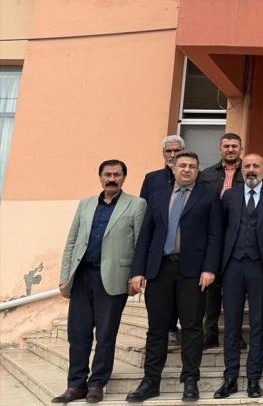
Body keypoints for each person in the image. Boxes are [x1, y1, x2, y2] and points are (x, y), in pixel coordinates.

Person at [126, 151, 222, 403]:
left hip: (194, 273)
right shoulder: (157, 197)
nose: (187, 169)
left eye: (192, 166)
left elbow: (215, 236)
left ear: (197, 171)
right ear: (173, 169)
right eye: (182, 165)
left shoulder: (208, 196)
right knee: (157, 328)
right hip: (160, 270)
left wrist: (210, 269)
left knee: (192, 328)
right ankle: (150, 381)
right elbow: (145, 237)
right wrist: (138, 271)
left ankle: (190, 380)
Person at [52, 160, 146, 404]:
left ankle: (97, 384)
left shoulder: (137, 204)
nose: (112, 178)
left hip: (114, 278)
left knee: (105, 335)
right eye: (107, 174)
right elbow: (71, 241)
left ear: (124, 178)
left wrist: (135, 275)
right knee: (78, 334)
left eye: (117, 174)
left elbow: (140, 244)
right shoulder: (85, 204)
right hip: (83, 276)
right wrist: (65, 276)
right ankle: (75, 385)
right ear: (100, 177)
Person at [213, 154, 263, 399]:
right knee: (231, 325)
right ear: (241, 170)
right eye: (247, 166)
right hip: (232, 266)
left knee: (257, 324)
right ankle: (230, 377)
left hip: (259, 267)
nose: (251, 169)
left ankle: (254, 377)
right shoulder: (229, 195)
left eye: (256, 165)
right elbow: (220, 231)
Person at [198, 133, 245, 350]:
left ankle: (236, 334)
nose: (230, 149)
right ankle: (210, 332)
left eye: (234, 146)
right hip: (212, 235)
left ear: (241, 149)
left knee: (236, 289)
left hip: (238, 236)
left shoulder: (248, 172)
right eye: (226, 146)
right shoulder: (206, 174)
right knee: (211, 288)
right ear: (220, 149)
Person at [139, 135, 185, 347]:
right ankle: (159, 332)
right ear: (163, 153)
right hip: (159, 248)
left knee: (179, 296)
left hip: (183, 247)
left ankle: (172, 328)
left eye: (177, 151)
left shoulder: (194, 176)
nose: (173, 155)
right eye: (169, 151)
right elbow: (143, 212)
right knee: (158, 297)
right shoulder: (152, 179)